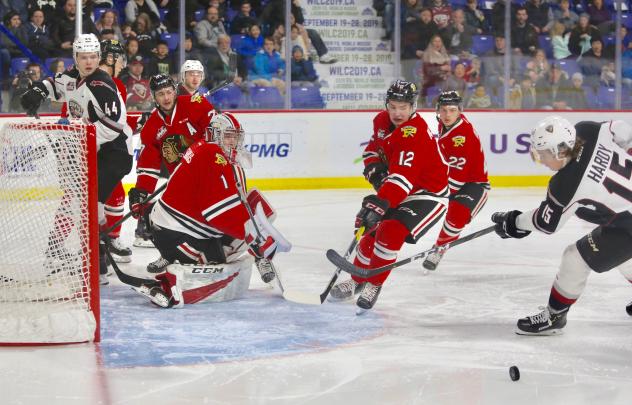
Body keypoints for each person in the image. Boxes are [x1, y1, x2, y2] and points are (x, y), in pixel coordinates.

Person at [491, 117, 632, 335]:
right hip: (625, 223)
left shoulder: (566, 184)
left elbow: (547, 224)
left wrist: (515, 222)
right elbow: (622, 129)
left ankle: (554, 316)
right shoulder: (588, 131)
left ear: (560, 150)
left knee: (574, 258)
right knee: (623, 255)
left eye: (544, 154)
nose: (542, 160)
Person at [135, 112, 285, 308]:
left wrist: (256, 237)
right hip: (175, 234)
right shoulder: (212, 155)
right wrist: (256, 239)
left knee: (258, 206)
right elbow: (218, 214)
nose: (234, 141)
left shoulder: (217, 154)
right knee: (223, 258)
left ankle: (256, 256)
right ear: (215, 134)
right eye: (229, 135)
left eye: (236, 136)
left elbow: (236, 205)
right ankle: (169, 278)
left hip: (191, 226)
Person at [20, 33, 133, 284]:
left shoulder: (102, 85)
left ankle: (97, 261)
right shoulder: (72, 77)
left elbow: (114, 126)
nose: (89, 62)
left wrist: (83, 139)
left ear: (99, 58)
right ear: (76, 58)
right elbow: (54, 84)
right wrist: (38, 90)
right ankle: (99, 257)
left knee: (90, 206)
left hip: (114, 153)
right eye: (84, 57)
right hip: (93, 149)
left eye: (93, 57)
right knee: (87, 206)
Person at [329, 80, 449, 311]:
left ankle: (373, 283)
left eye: (403, 107)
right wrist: (375, 172)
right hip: (399, 189)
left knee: (390, 231)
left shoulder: (414, 133)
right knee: (369, 234)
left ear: (413, 106)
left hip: (428, 194)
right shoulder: (382, 121)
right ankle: (356, 281)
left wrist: (377, 204)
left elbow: (402, 178)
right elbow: (373, 150)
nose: (397, 112)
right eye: (393, 106)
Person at [58, 39, 136, 269]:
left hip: (105, 151)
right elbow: (75, 112)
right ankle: (61, 243)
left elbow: (113, 120)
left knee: (109, 196)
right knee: (77, 199)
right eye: (118, 58)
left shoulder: (110, 83)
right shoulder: (92, 82)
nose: (122, 63)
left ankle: (108, 241)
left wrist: (138, 121)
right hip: (82, 147)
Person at [130, 74, 215, 272]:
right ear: (154, 97)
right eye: (161, 94)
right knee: (155, 217)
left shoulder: (195, 104)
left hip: (209, 175)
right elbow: (149, 167)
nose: (166, 98)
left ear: (175, 91)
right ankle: (169, 254)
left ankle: (220, 252)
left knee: (214, 218)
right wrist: (141, 193)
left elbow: (215, 133)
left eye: (169, 92)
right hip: (181, 183)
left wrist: (196, 152)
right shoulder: (151, 127)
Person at [422, 91, 489, 271]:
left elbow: (459, 177)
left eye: (452, 110)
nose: (447, 115)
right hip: (452, 178)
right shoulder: (445, 125)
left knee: (456, 215)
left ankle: (439, 249)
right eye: (443, 110)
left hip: (474, 184)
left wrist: (437, 193)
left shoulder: (462, 135)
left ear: (459, 110)